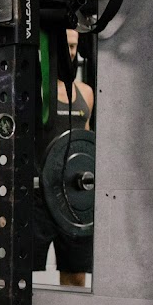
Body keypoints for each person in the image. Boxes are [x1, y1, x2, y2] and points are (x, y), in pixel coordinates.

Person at [34, 28, 94, 287]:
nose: (70, 53)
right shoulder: (33, 91)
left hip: (74, 198)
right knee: (23, 275)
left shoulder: (87, 93)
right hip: (37, 197)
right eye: (64, 45)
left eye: (73, 46)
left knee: (76, 277)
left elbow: (87, 146)